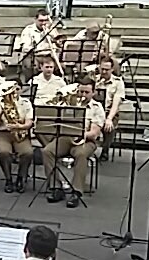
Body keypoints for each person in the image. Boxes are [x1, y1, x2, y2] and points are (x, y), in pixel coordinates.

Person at [42, 78, 105, 208]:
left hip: (86, 140)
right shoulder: (70, 104)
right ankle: (56, 187)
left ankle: (76, 191)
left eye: (86, 92)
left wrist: (80, 135)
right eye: (81, 91)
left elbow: (94, 133)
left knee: (81, 154)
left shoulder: (96, 108)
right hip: (66, 138)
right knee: (47, 151)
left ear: (93, 93)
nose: (82, 95)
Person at [0, 81, 34, 194]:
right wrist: (1, 112)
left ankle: (21, 178)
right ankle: (8, 180)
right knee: (4, 152)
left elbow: (29, 122)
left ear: (21, 90)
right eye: (12, 89)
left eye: (17, 89)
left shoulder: (26, 103)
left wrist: (20, 126)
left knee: (27, 153)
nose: (14, 92)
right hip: (2, 133)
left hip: (20, 132)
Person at [17, 9, 61, 83]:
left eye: (45, 20)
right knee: (30, 66)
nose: (43, 23)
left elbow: (58, 45)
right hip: (34, 55)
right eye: (41, 20)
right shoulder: (28, 30)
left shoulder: (51, 29)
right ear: (35, 20)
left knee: (61, 67)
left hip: (48, 55)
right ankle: (30, 85)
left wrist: (52, 37)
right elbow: (26, 48)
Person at [95, 57, 125, 160]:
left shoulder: (118, 82)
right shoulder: (94, 79)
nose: (104, 72)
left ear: (112, 69)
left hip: (109, 111)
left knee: (109, 126)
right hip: (94, 111)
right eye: (102, 69)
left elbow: (116, 103)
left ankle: (105, 151)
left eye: (106, 70)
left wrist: (109, 118)